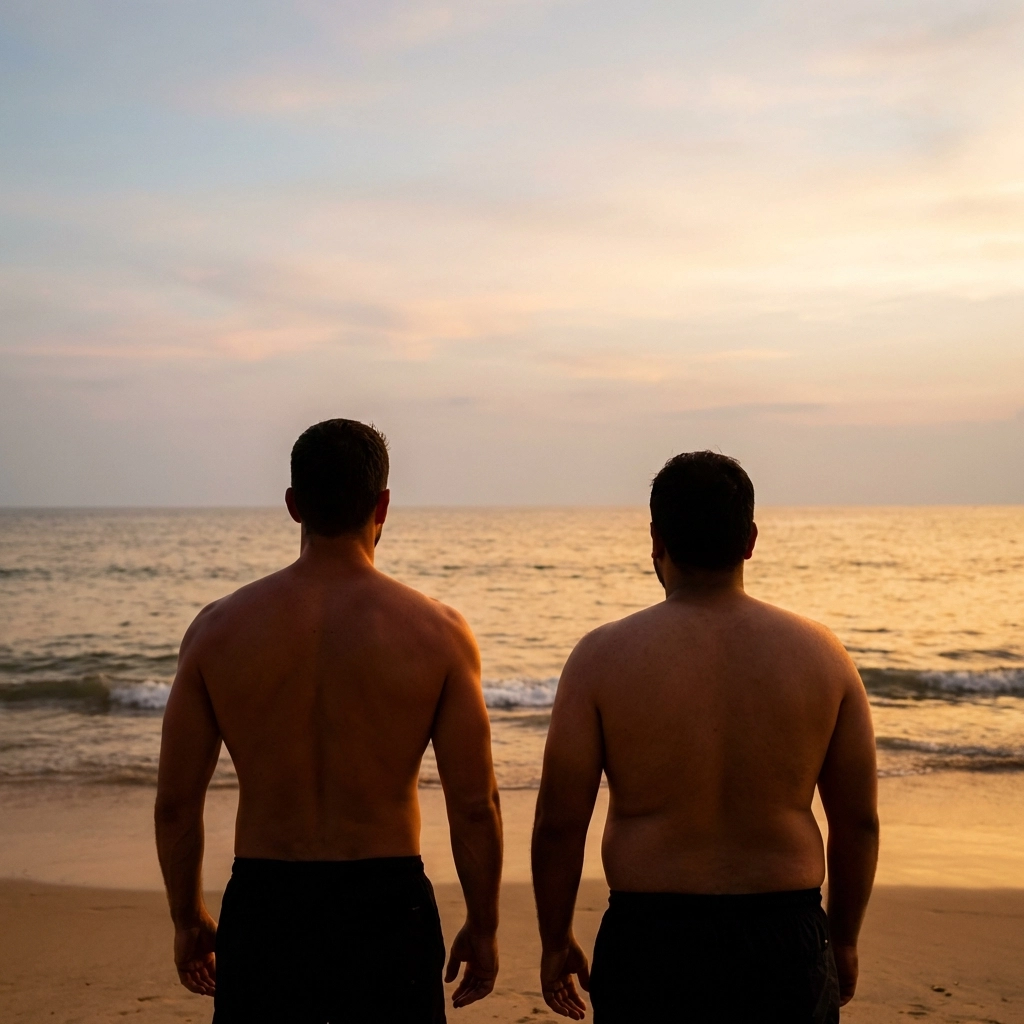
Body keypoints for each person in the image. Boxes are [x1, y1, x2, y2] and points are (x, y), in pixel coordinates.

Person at [155, 419, 502, 1023]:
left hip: (265, 902)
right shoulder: (439, 634)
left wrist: (187, 919)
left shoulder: (215, 631)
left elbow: (176, 805)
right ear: (382, 505)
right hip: (388, 904)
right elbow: (474, 805)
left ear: (293, 505)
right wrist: (484, 924)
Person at [532, 451, 878, 1023]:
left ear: (656, 540)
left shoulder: (600, 658)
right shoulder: (823, 656)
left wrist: (554, 940)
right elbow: (858, 822)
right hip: (784, 938)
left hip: (650, 939)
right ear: (750, 540)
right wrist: (842, 941)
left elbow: (559, 824)